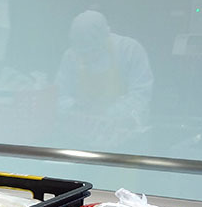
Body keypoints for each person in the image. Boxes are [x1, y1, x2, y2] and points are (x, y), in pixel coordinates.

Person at [56, 10, 154, 149]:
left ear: (104, 38)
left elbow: (141, 96)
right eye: (82, 52)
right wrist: (76, 107)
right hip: (82, 135)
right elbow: (59, 94)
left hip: (124, 136)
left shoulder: (129, 50)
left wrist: (110, 113)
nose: (87, 57)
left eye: (92, 51)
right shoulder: (71, 56)